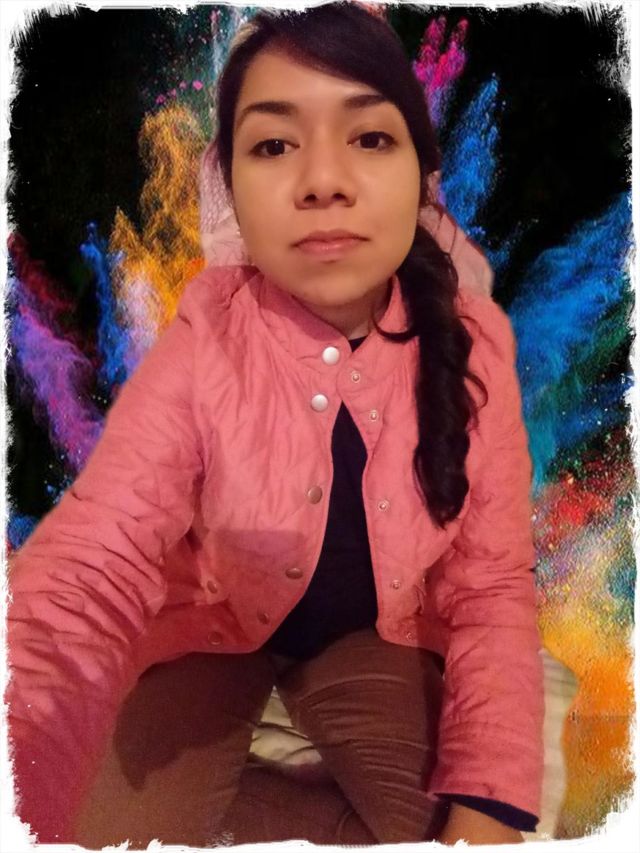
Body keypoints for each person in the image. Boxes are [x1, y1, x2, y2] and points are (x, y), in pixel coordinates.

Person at [6, 3, 545, 847]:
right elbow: (97, 552)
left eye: (370, 137)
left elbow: (491, 587)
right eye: (273, 144)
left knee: (454, 819)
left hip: (378, 639)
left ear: (420, 173)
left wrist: (492, 805)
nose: (323, 180)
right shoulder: (207, 333)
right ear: (229, 187)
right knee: (80, 819)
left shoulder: (475, 342)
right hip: (208, 632)